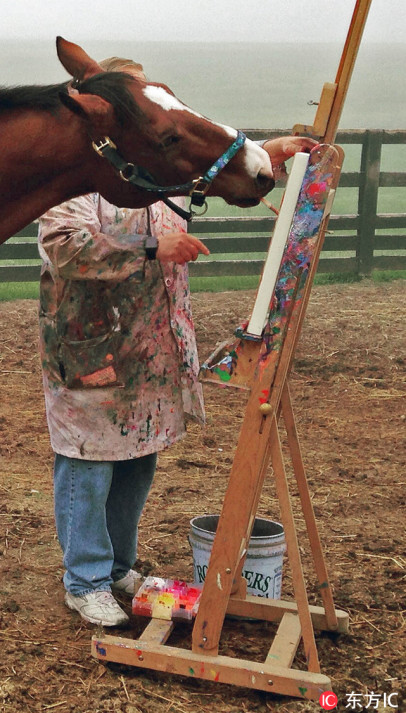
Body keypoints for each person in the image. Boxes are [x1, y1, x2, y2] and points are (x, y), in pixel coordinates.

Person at [38, 57, 314, 626]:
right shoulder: (72, 177)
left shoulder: (160, 167)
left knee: (137, 457)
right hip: (93, 346)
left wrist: (270, 152)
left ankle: (117, 566)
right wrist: (149, 250)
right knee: (88, 463)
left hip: (153, 346)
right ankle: (84, 579)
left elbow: (211, 157)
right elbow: (62, 247)